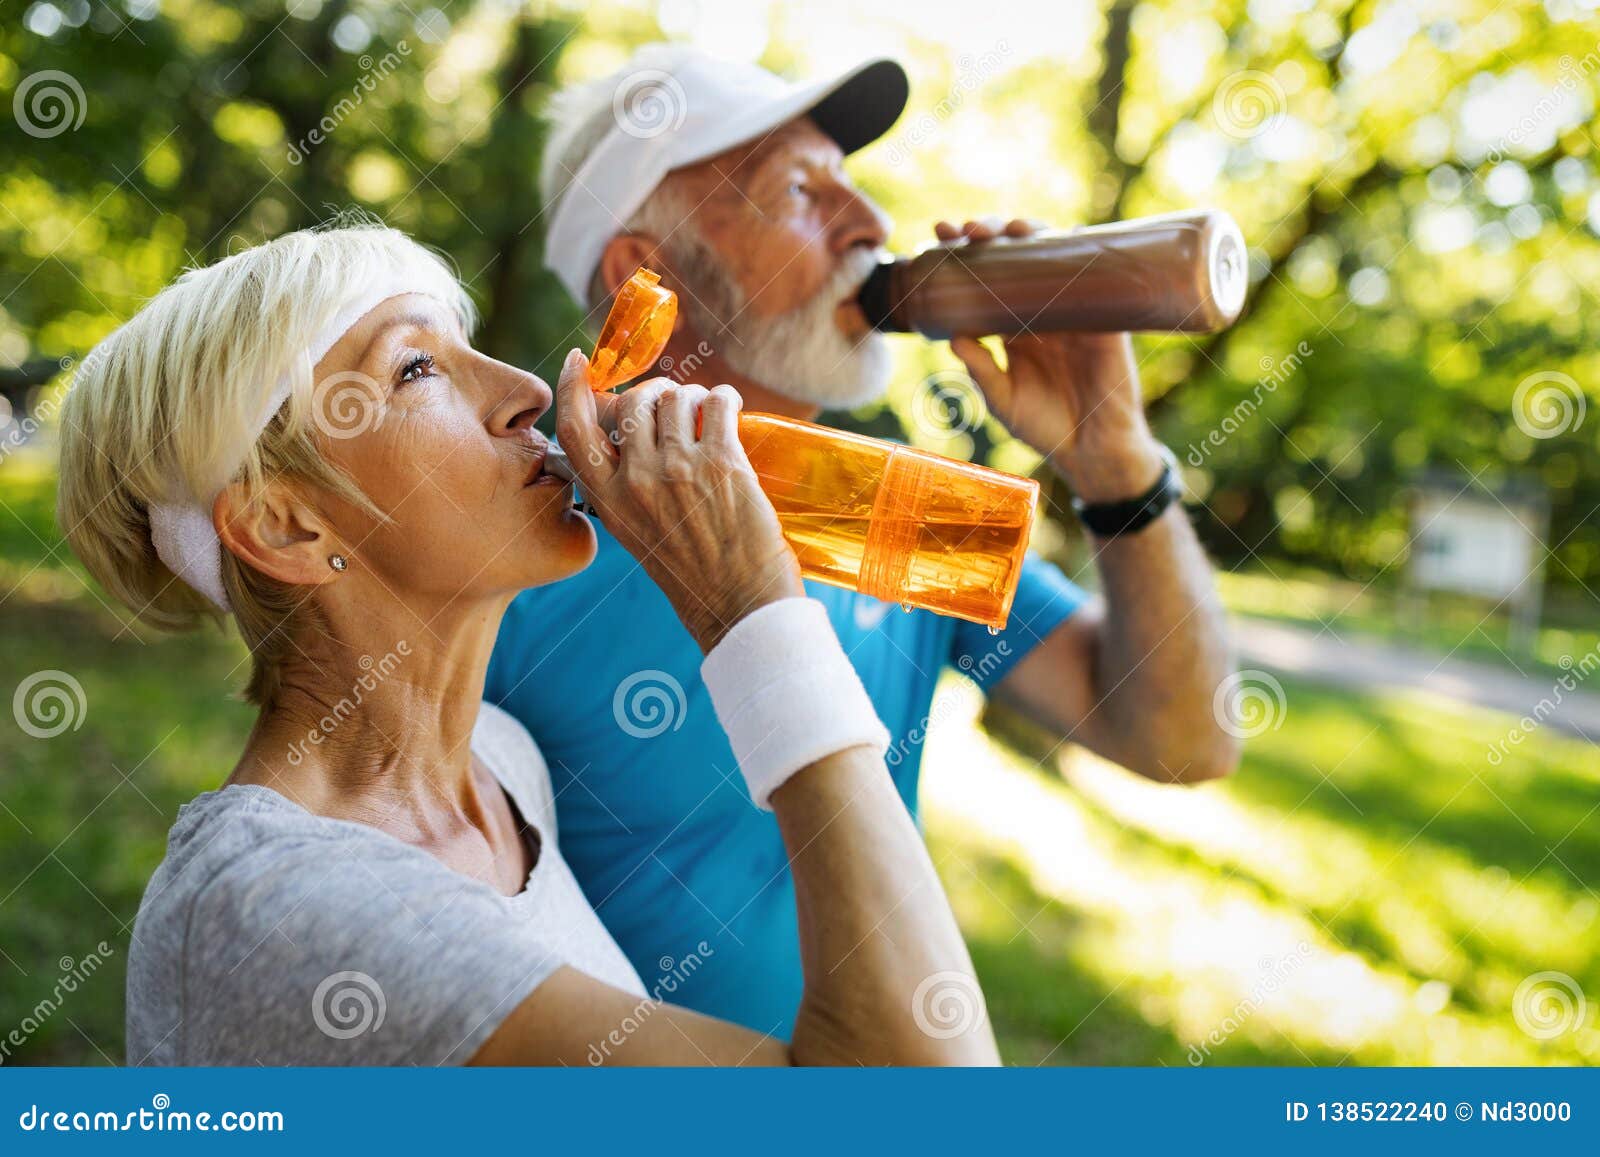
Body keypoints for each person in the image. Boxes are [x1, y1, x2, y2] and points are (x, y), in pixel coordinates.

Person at [56, 223, 998, 1066]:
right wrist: (753, 613)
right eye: (416, 368)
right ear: (286, 526)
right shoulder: (282, 910)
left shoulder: (505, 768)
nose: (529, 391)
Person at [487, 44, 1241, 1035]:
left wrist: (1116, 468)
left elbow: (1180, 738)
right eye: (800, 190)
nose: (874, 225)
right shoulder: (507, 534)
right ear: (647, 272)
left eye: (850, 181)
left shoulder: (901, 512)